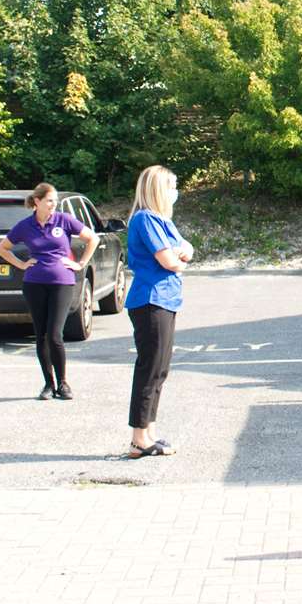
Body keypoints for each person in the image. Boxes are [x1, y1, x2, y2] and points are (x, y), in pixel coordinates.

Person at [0, 183, 96, 401]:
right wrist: (21, 264)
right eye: (50, 200)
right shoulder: (25, 225)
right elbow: (2, 248)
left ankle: (63, 383)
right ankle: (48, 384)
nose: (53, 205)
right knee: (41, 334)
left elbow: (93, 239)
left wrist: (80, 263)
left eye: (55, 201)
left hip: (62, 282)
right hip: (34, 283)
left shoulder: (64, 220)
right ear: (37, 201)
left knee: (54, 335)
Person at [125, 165, 193, 458]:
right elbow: (170, 260)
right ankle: (139, 438)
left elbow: (187, 249)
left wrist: (181, 255)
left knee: (160, 370)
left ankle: (149, 431)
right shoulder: (146, 219)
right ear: (157, 189)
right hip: (151, 301)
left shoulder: (163, 221)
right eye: (171, 186)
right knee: (150, 369)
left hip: (166, 300)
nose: (174, 192)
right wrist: (178, 258)